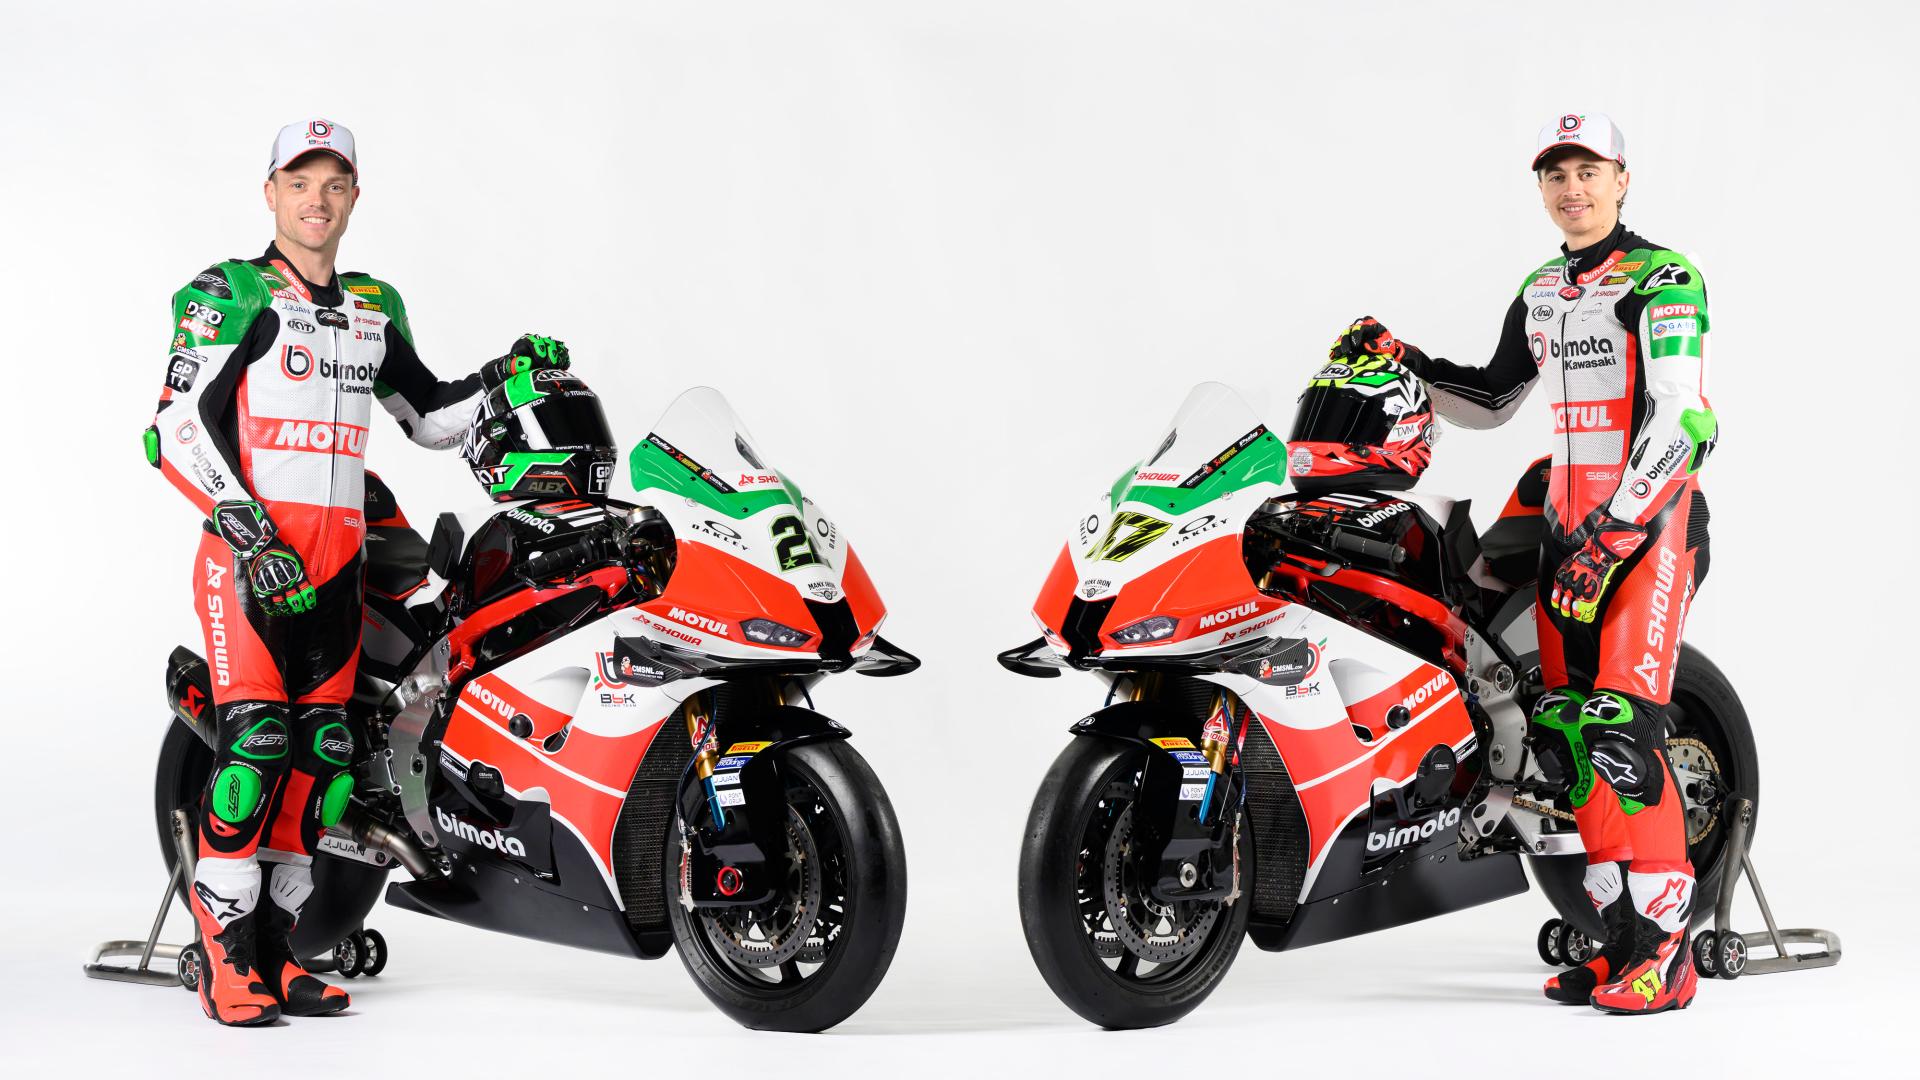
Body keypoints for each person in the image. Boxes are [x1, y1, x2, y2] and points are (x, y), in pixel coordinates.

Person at [144, 119, 572, 1025]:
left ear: (353, 198)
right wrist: (252, 538)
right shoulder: (231, 293)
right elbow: (173, 427)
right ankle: (224, 957)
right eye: (300, 182)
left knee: (324, 765)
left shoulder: (375, 306)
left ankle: (278, 953)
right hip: (249, 565)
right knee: (255, 750)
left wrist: (503, 376)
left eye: (334, 183)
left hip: (339, 571)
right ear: (270, 193)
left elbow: (429, 417)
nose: (317, 200)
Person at [1327, 112, 1714, 1015]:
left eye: (1589, 171)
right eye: (1556, 174)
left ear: (1622, 178)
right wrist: (1405, 363)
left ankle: (1669, 955)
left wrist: (1615, 535)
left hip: (1648, 531)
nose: (1572, 189)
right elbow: (1495, 398)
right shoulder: (1542, 289)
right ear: (1541, 189)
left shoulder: (1665, 278)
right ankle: (1617, 943)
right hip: (1564, 533)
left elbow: (1684, 419)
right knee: (1567, 739)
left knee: (1622, 734)